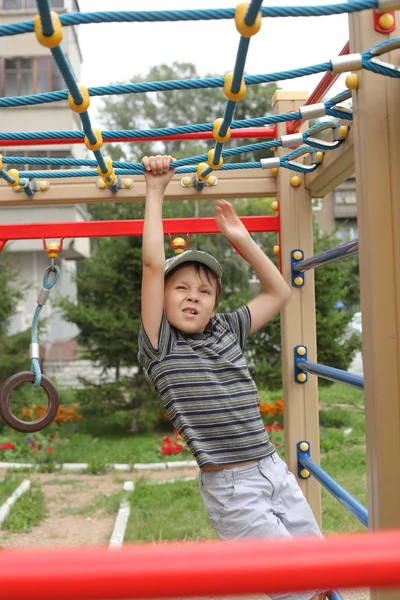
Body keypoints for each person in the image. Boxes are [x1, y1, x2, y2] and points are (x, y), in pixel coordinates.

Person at [138, 155, 323, 600]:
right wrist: (155, 192)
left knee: (322, 574)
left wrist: (242, 240)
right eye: (180, 287)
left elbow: (279, 292)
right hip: (232, 488)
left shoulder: (227, 329)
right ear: (161, 298)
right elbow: (150, 265)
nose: (192, 297)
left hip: (272, 469)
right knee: (296, 589)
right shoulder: (159, 342)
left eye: (204, 291)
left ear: (215, 305)